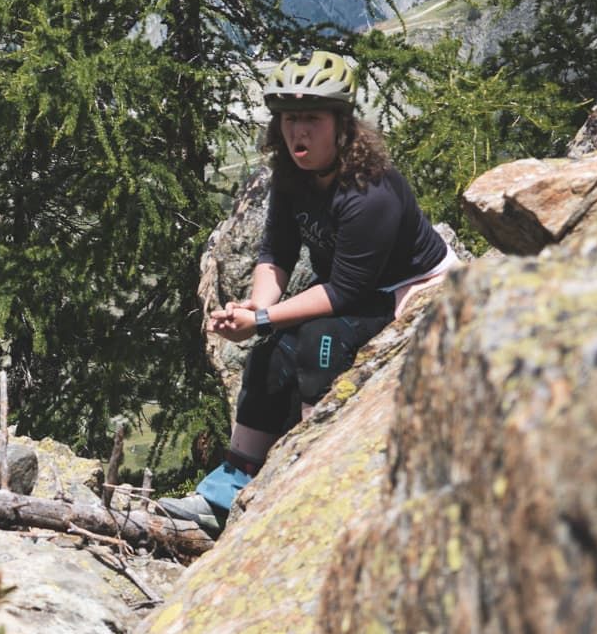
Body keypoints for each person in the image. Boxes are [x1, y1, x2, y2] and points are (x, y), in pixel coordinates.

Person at [158, 50, 459, 536]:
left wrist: (261, 319)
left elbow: (344, 292)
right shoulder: (292, 178)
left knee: (320, 348)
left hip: (413, 289)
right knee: (268, 356)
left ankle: (306, 485)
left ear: (341, 125)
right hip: (356, 292)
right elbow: (275, 251)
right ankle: (225, 493)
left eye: (311, 119)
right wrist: (258, 306)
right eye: (289, 119)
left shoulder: (370, 192)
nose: (299, 132)